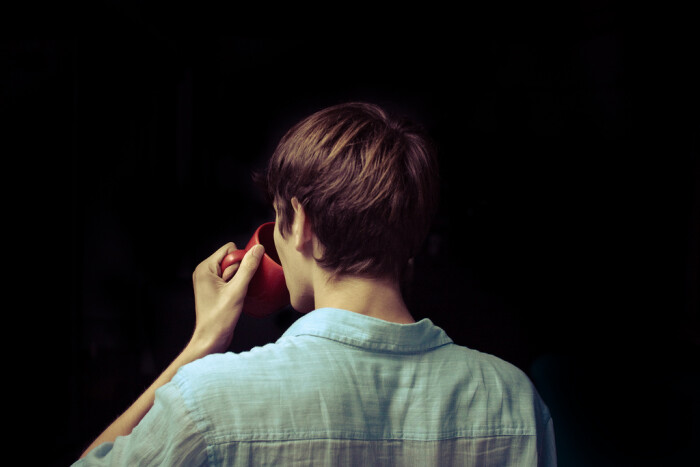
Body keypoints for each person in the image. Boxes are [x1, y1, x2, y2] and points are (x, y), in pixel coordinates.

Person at [75, 102, 556, 466]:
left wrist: (199, 346)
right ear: (411, 240)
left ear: (300, 223)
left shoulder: (207, 400)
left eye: (278, 220)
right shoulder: (514, 400)